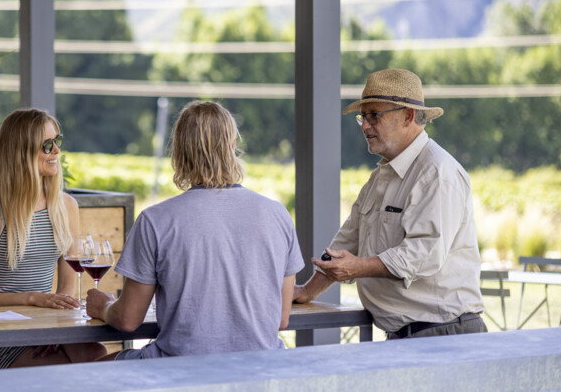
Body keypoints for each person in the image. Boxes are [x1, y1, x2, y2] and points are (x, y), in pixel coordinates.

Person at [86, 101, 303, 359]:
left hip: (180, 373)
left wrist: (104, 307)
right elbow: (280, 319)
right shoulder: (278, 214)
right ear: (232, 146)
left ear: (178, 152)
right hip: (263, 370)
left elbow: (128, 320)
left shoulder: (155, 220)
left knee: (89, 366)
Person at [294, 68, 486, 339]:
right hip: (409, 335)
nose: (364, 125)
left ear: (408, 116)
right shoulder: (382, 176)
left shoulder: (437, 171)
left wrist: (359, 267)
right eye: (363, 116)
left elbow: (424, 253)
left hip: (442, 335)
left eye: (375, 115)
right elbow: (348, 241)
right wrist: (306, 291)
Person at [0, 108, 106, 368]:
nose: (57, 151)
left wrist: (53, 327)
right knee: (59, 373)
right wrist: (34, 299)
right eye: (47, 145)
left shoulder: (66, 207)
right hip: (1, 335)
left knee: (98, 357)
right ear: (22, 153)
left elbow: (67, 287)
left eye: (57, 141)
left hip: (49, 324)